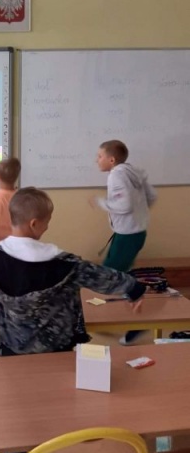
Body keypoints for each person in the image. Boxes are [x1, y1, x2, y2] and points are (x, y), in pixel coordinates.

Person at [0, 186, 146, 453]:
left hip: (12, 348)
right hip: (57, 351)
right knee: (58, 401)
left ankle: (17, 451)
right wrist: (134, 288)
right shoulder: (65, 264)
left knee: (19, 401)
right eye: (47, 220)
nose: (48, 225)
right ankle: (58, 447)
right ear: (35, 224)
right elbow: (103, 278)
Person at [89, 139, 157, 345]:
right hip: (133, 232)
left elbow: (125, 205)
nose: (96, 160)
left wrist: (101, 202)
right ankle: (120, 318)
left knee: (110, 277)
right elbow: (151, 196)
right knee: (119, 276)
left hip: (128, 235)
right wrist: (139, 216)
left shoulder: (116, 175)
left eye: (100, 156)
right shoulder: (133, 171)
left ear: (111, 160)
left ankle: (138, 323)